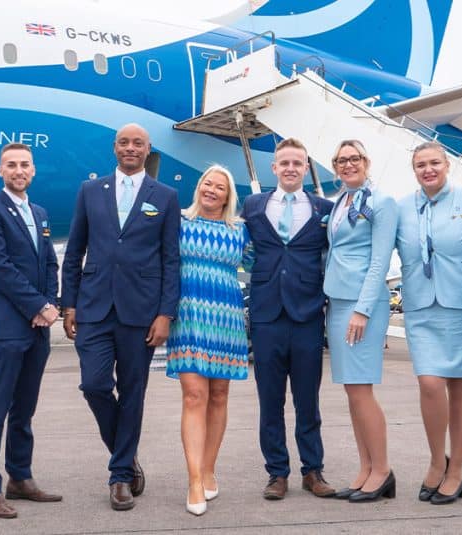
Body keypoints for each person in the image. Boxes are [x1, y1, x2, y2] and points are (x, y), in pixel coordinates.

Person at [61, 123, 181, 511]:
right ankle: (126, 458)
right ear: (115, 148)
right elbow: (74, 250)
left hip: (141, 311)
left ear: (148, 150)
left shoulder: (165, 196)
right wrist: (69, 303)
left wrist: (165, 314)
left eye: (138, 143)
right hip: (94, 307)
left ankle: (119, 477)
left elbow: (171, 260)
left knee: (132, 392)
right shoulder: (90, 190)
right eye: (124, 142)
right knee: (94, 385)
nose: (131, 148)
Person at [394, 141, 462, 504]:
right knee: (430, 383)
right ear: (414, 170)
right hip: (420, 306)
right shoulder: (401, 208)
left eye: (434, 162)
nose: (428, 169)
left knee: (461, 386)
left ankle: (456, 470)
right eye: (421, 164)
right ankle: (438, 460)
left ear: (447, 165)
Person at [0, 143, 62, 519]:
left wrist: (51, 304)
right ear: (0, 170)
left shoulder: (39, 212)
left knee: (25, 409)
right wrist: (38, 305)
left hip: (38, 328)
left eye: (25, 164)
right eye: (11, 165)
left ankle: (20, 478)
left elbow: (50, 263)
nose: (18, 170)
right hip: (7, 326)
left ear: (33, 170)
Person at [240, 138, 336, 501]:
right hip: (266, 316)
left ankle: (313, 470)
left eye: (298, 163)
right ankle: (277, 473)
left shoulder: (324, 208)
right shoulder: (253, 205)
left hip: (307, 314)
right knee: (270, 401)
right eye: (285, 163)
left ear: (306, 168)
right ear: (274, 168)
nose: (291, 168)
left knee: (307, 400)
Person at [165, 165, 249, 516]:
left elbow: (264, 264)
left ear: (229, 196)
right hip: (188, 317)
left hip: (226, 320)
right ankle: (195, 479)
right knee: (193, 395)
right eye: (207, 184)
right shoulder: (178, 222)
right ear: (198, 186)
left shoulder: (240, 230)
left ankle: (209, 467)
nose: (212, 190)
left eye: (220, 187)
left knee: (218, 395)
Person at [322, 140, 398, 502]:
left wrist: (363, 310)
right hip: (338, 301)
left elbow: (380, 260)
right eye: (341, 160)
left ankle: (382, 470)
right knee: (352, 391)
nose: (348, 164)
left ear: (366, 162)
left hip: (361, 305)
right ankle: (365, 468)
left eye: (354, 158)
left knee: (362, 390)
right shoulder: (341, 201)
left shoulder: (381, 202)